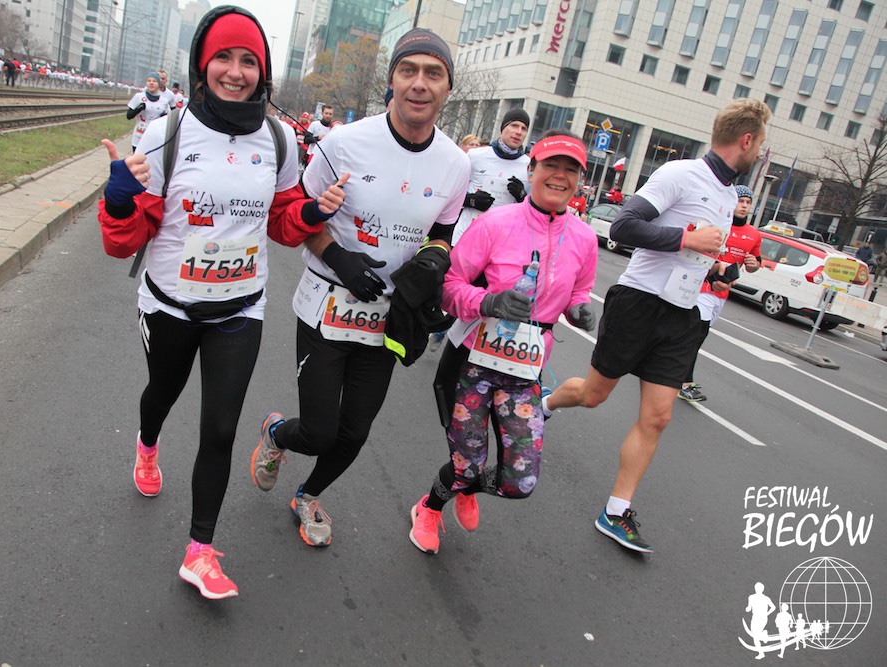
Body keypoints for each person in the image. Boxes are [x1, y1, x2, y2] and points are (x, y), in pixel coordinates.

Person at [96, 5, 348, 600]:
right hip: (170, 305)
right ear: (202, 65)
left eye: (248, 61)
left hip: (240, 310)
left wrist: (312, 212)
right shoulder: (166, 133)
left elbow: (282, 222)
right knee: (162, 394)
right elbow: (122, 242)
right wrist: (120, 199)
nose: (236, 72)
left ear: (263, 72)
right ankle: (147, 444)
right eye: (224, 58)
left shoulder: (278, 139)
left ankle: (200, 552)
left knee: (221, 428)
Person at [250, 27, 471, 548]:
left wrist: (434, 262)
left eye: (433, 73)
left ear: (447, 88)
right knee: (319, 430)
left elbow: (442, 234)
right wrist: (338, 256)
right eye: (408, 71)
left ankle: (308, 495)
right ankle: (277, 433)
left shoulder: (456, 164)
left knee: (354, 432)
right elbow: (298, 214)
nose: (419, 83)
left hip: (389, 317)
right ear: (392, 80)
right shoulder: (343, 143)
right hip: (326, 303)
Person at [542, 98, 771, 553]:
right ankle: (545, 404)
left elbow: (697, 252)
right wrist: (687, 238)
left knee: (659, 416)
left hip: (683, 312)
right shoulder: (679, 174)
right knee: (594, 395)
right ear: (746, 140)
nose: (762, 153)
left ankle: (615, 511)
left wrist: (717, 268)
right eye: (761, 144)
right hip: (639, 303)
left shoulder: (730, 196)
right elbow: (623, 227)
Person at [408, 130, 598, 554]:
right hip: (471, 363)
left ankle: (469, 484)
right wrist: (489, 301)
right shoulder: (495, 223)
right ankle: (430, 507)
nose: (560, 176)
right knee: (465, 464)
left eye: (570, 170)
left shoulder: (585, 238)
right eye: (551, 165)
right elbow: (448, 288)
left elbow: (580, 290)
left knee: (520, 481)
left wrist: (579, 309)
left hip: (524, 371)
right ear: (531, 170)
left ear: (579, 181)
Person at [678, 184, 761, 402]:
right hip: (702, 285)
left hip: (723, 293)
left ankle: (660, 359)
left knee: (690, 333)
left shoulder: (754, 235)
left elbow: (755, 262)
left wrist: (754, 265)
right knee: (698, 334)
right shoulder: (716, 224)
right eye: (740, 201)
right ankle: (685, 383)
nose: (744, 206)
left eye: (748, 202)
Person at [453, 108, 531, 245]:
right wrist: (471, 200)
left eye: (524, 128)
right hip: (466, 236)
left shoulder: (529, 165)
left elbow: (533, 212)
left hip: (502, 242)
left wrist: (522, 197)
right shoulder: (475, 156)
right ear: (503, 128)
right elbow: (451, 194)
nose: (519, 132)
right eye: (514, 125)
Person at [126, 72, 171, 154]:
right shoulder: (139, 97)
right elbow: (128, 116)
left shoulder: (164, 101)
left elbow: (169, 120)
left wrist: (164, 117)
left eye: (154, 81)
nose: (151, 83)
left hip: (154, 138)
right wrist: (138, 109)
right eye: (149, 81)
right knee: (137, 160)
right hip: (139, 137)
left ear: (159, 84)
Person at [745, 582, 776, 660]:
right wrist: (747, 609)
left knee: (755, 635)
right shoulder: (751, 597)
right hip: (755, 617)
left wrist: (767, 614)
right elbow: (749, 607)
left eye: (759, 588)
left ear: (762, 589)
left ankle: (763, 635)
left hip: (762, 617)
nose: (758, 589)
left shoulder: (766, 598)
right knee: (754, 636)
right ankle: (761, 652)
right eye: (757, 588)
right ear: (755, 588)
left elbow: (773, 607)